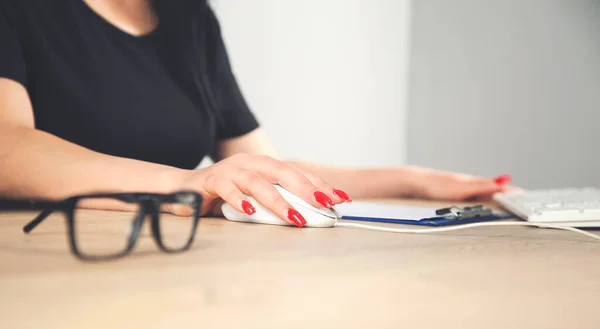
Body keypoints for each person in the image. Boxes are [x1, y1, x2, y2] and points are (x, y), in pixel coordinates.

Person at [0, 0, 512, 227]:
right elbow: (8, 146)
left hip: (172, 266)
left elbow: (262, 170)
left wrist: (414, 182)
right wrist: (188, 184)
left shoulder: (192, 22)